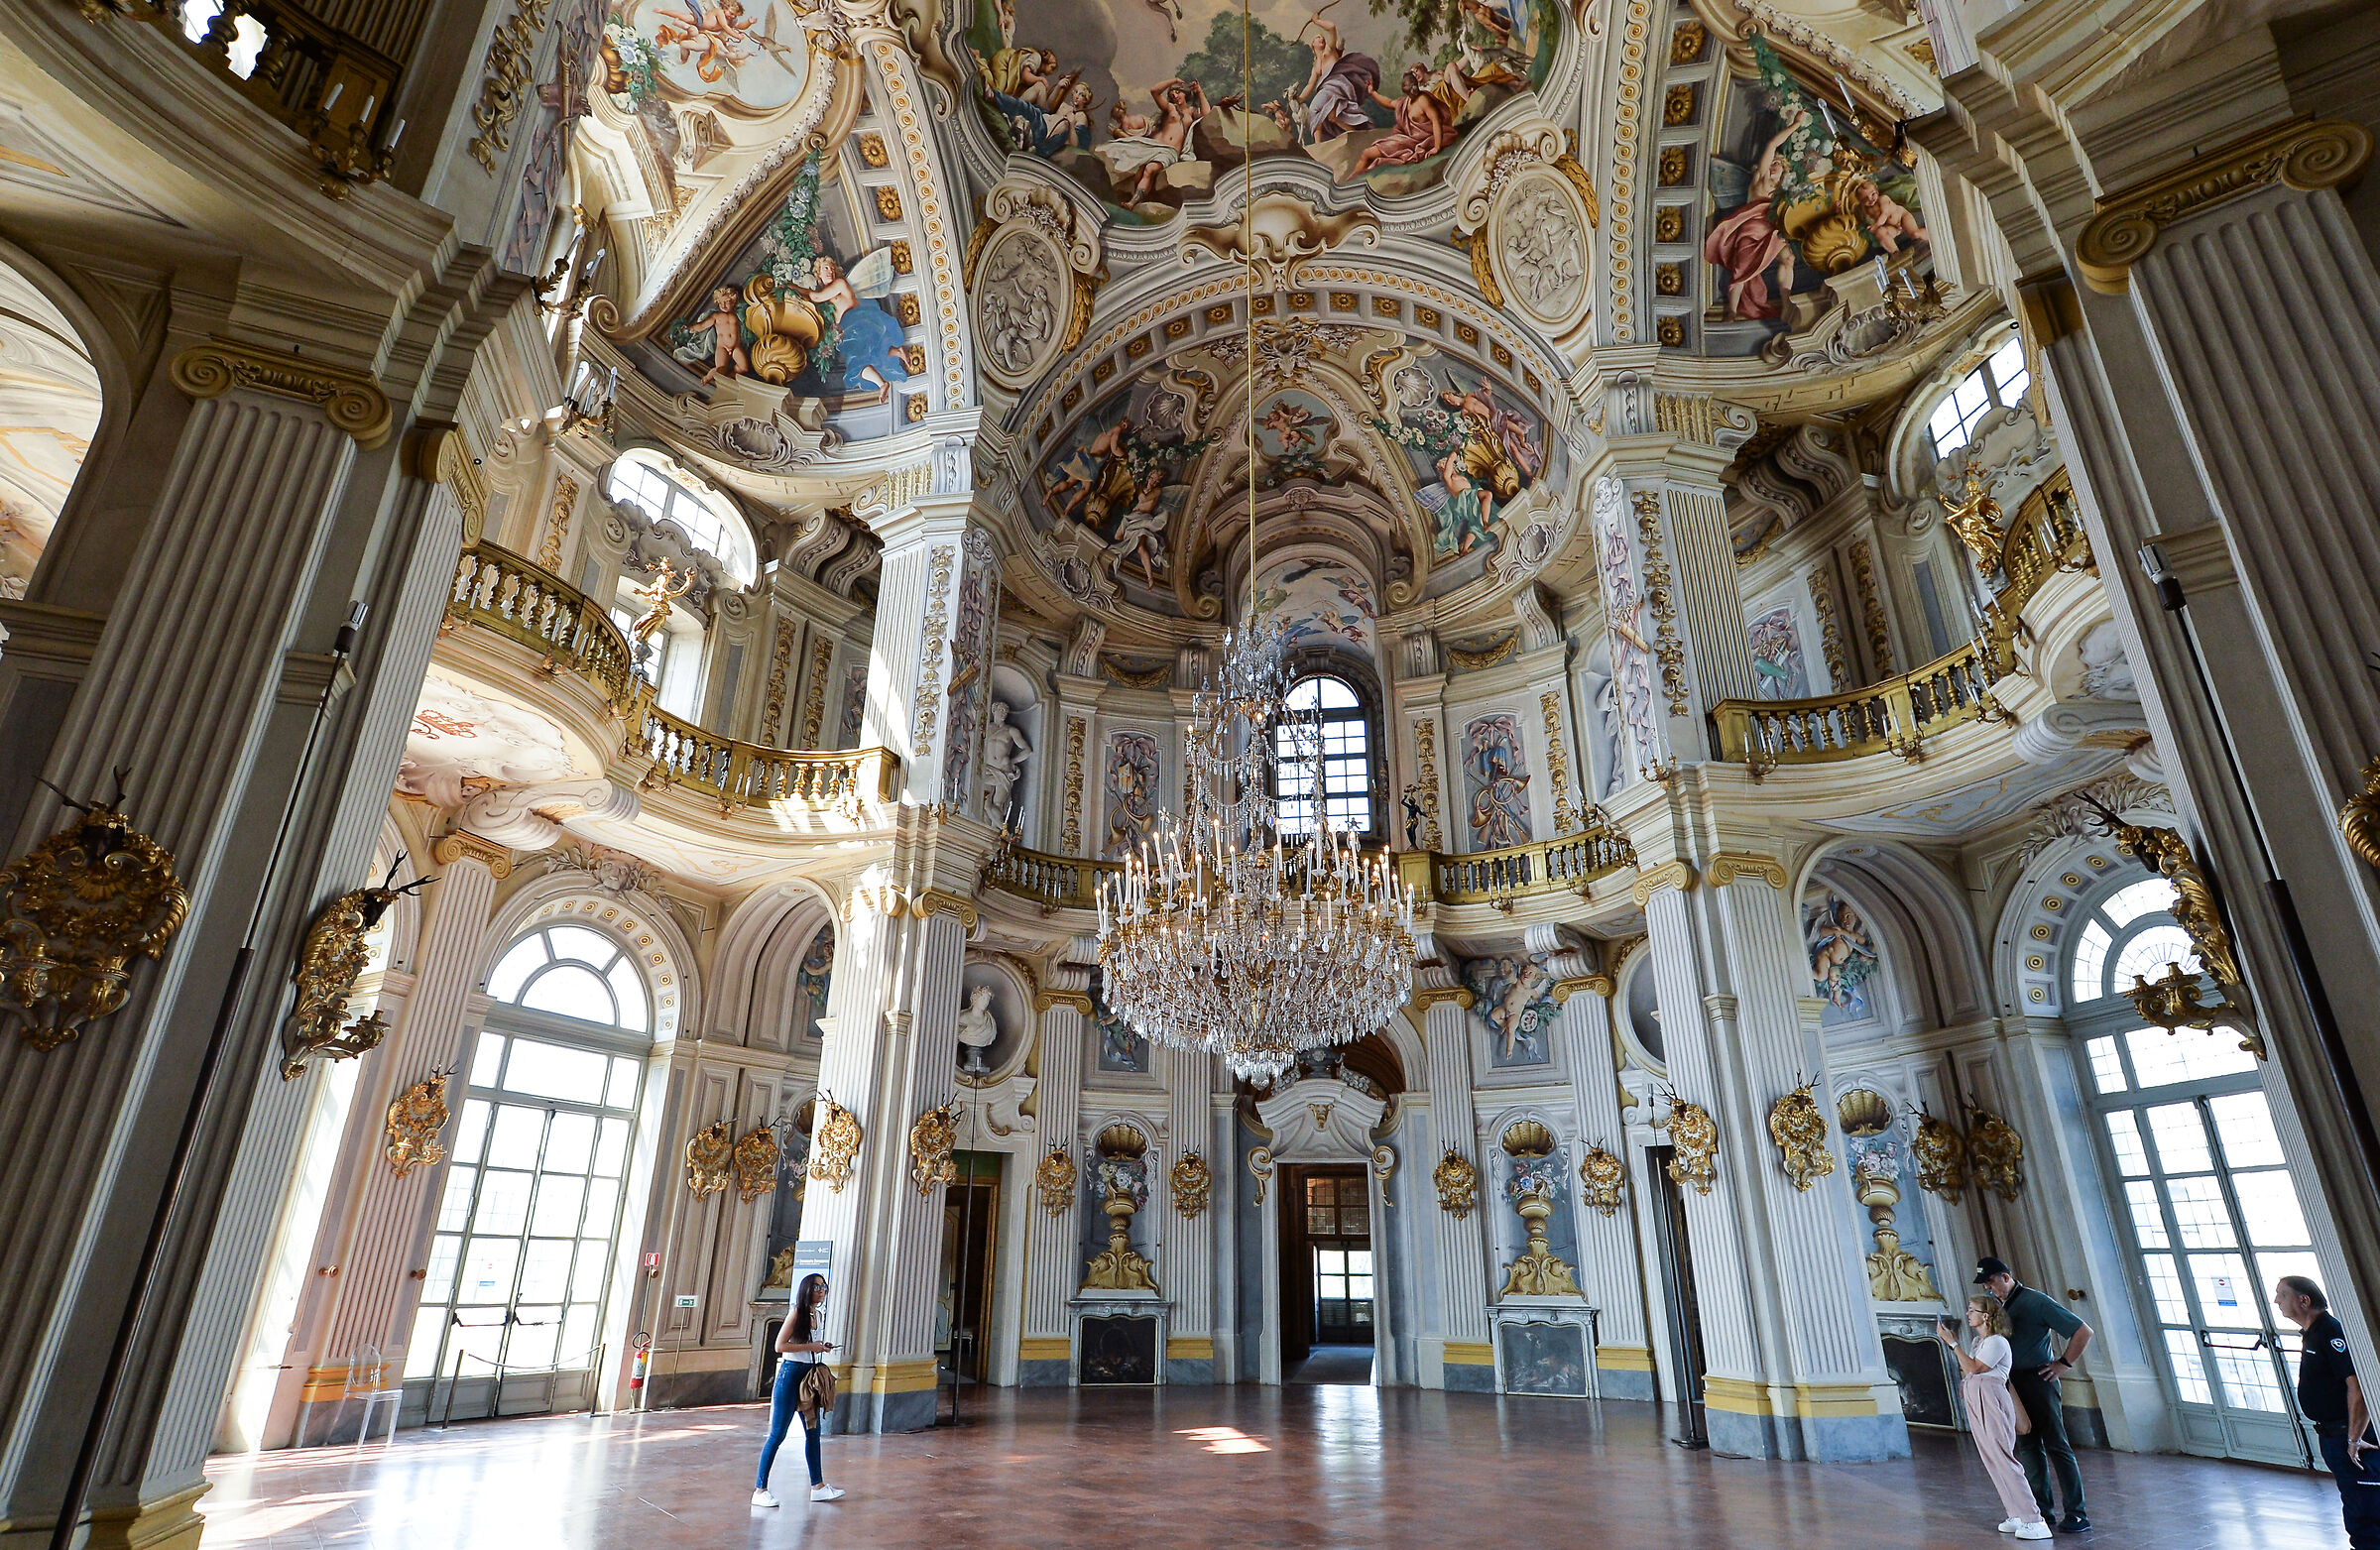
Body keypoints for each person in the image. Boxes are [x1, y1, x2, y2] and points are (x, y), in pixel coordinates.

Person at [1975, 1256, 2092, 1532]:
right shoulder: (2001, 1305)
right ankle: (2041, 1512)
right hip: (2013, 1382)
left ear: (2005, 1276)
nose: (1989, 1288)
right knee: (2028, 1445)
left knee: (2056, 1445)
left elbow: (2082, 1331)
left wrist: (2063, 1364)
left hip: (2039, 1380)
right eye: (1986, 1285)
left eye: (1991, 1282)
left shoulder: (2035, 1301)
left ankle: (2077, 1513)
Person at [2277, 1273, 2380, 1548]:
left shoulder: (2330, 1332)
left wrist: (2354, 1438)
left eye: (2282, 1295)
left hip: (2351, 1436)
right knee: (2355, 1502)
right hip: (2333, 1435)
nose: (2276, 1301)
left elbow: (2359, 1388)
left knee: (2366, 1509)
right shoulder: (2312, 1333)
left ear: (2304, 1300)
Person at [1939, 1293, 2052, 1540]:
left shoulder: (1997, 1341)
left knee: (2003, 1458)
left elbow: (1975, 1369)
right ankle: (2016, 1513)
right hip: (1977, 1398)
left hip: (1991, 1400)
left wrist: (1952, 1343)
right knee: (1991, 1458)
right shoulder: (1980, 1343)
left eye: (1972, 1310)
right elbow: (1970, 1369)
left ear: (1986, 1316)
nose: (1968, 1314)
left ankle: (2035, 1519)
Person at [753, 1273, 845, 1506]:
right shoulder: (797, 1313)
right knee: (778, 1433)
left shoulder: (819, 1315)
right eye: (816, 1287)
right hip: (791, 1374)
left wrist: (820, 1347)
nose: (821, 1290)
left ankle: (818, 1486)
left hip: (809, 1377)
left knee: (813, 1433)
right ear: (806, 1289)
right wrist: (811, 1346)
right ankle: (759, 1489)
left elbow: (809, 1346)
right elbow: (779, 1345)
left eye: (824, 1286)